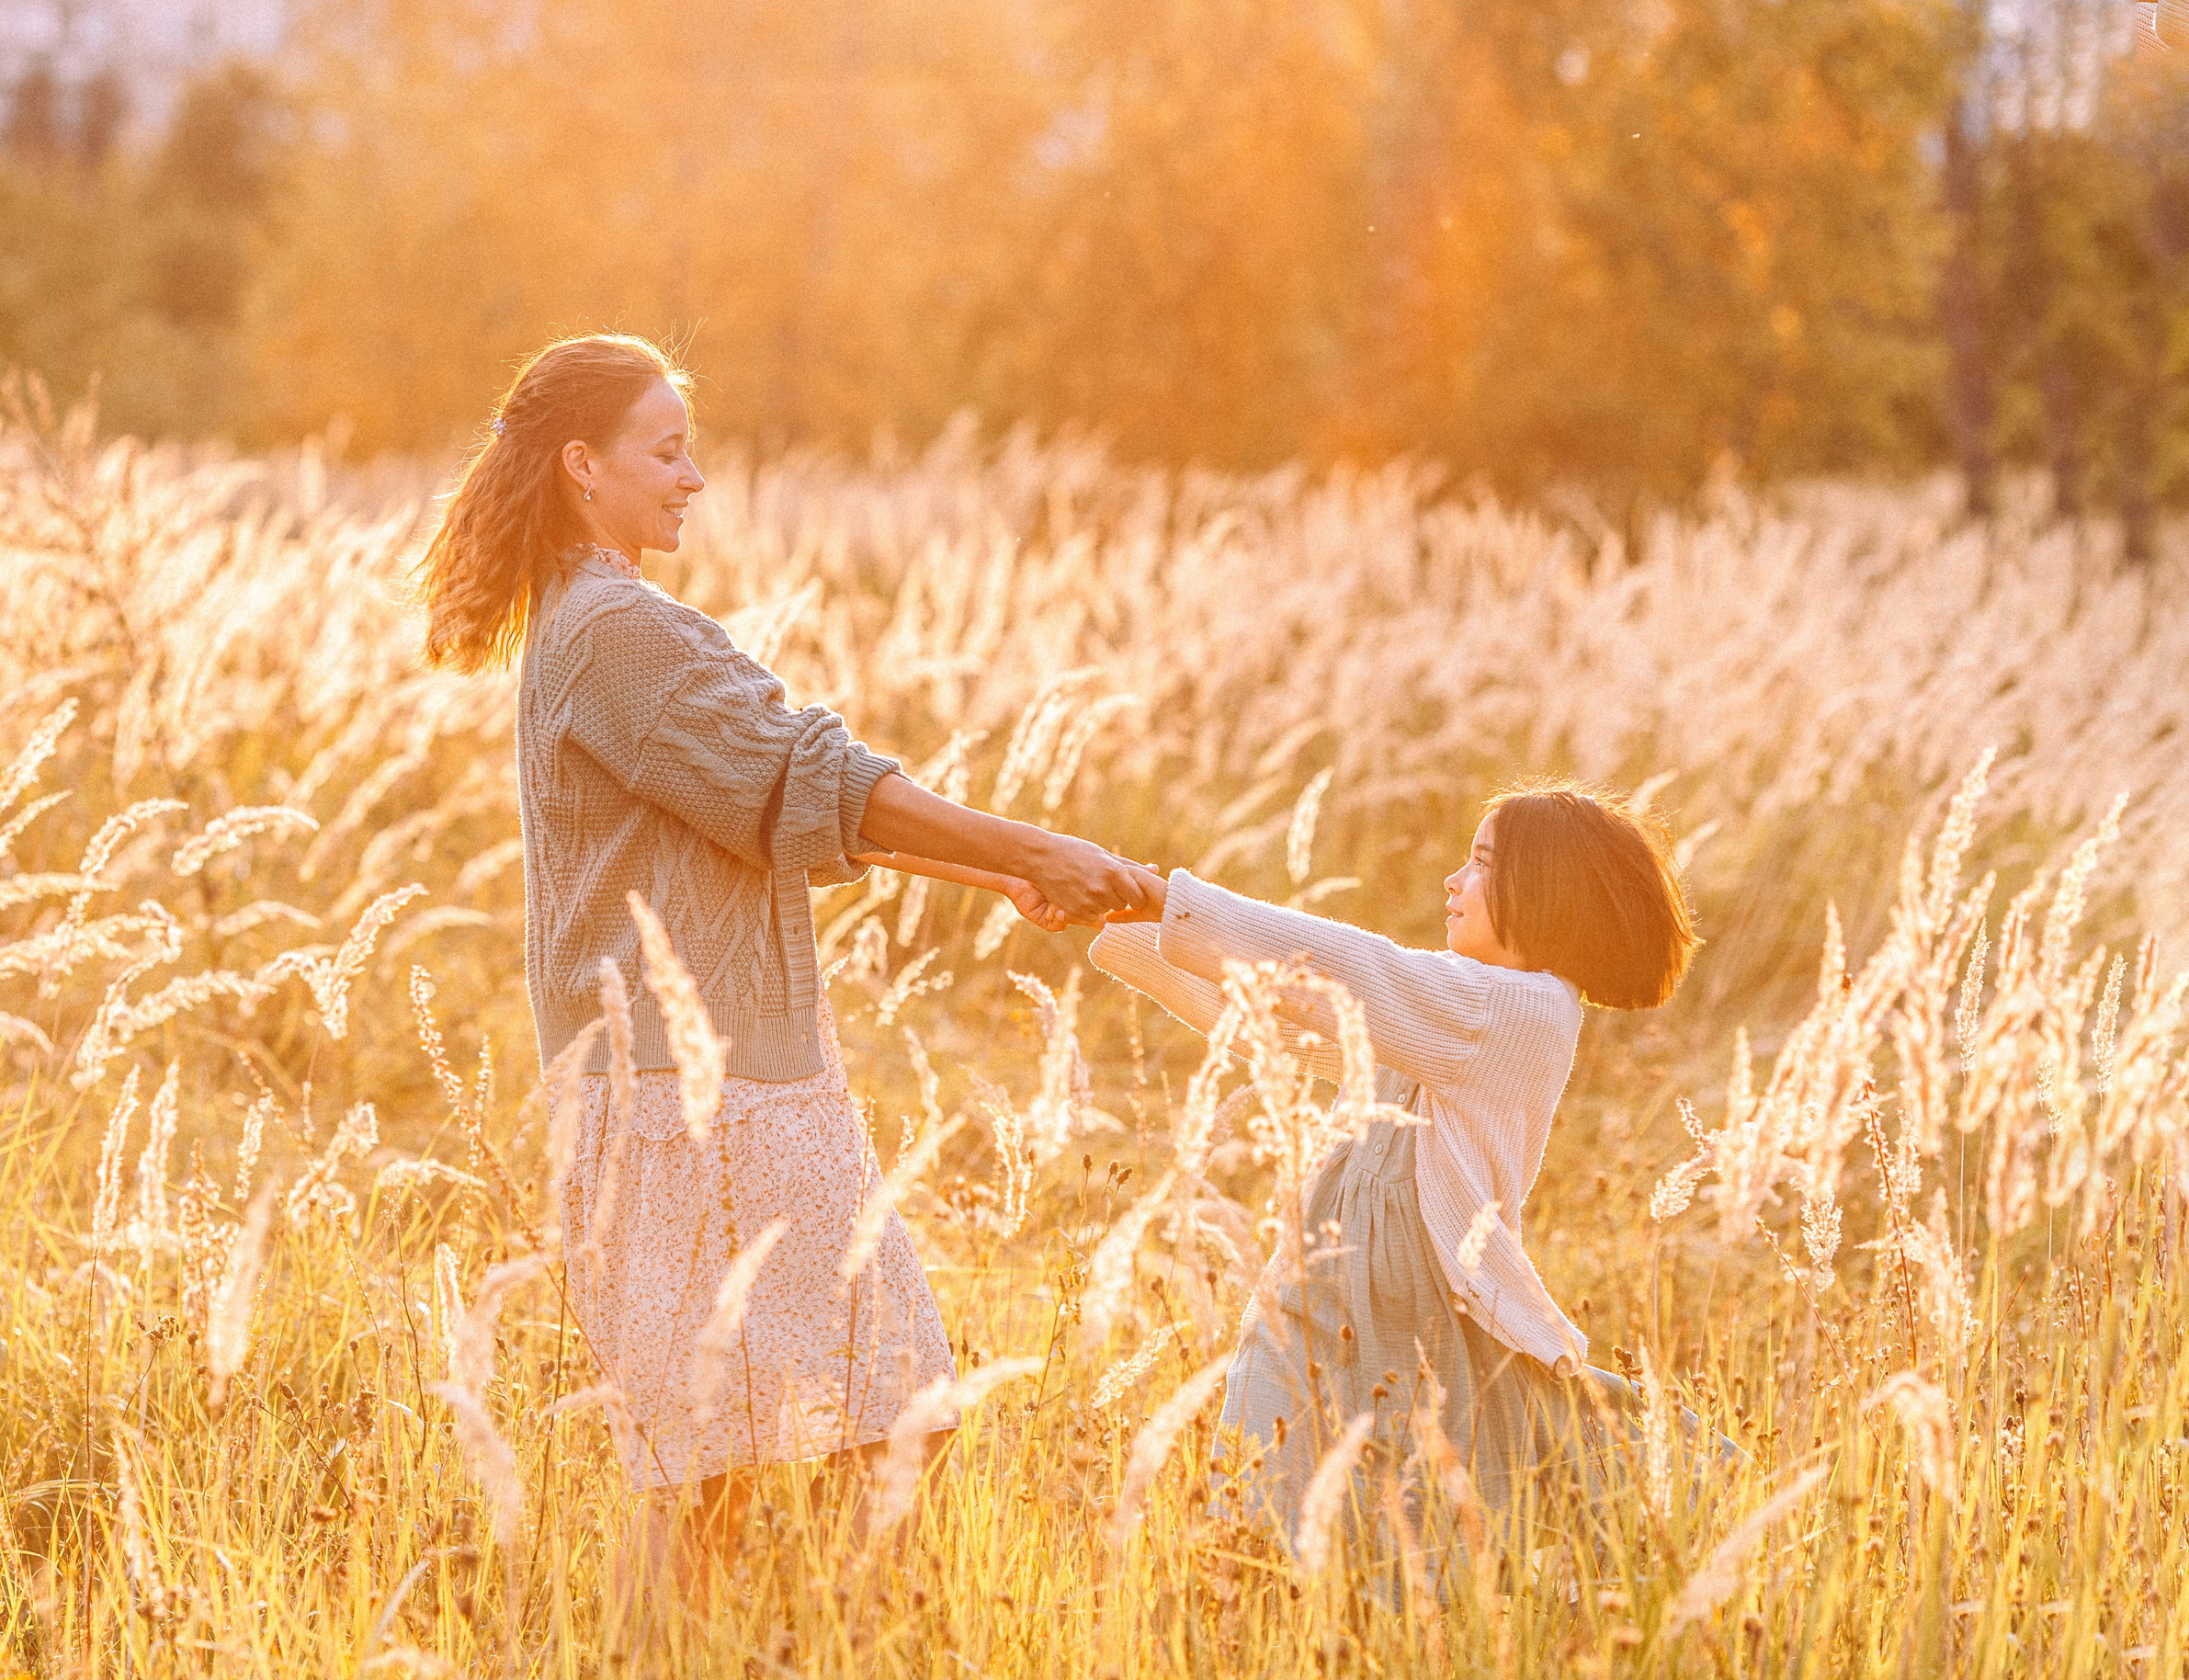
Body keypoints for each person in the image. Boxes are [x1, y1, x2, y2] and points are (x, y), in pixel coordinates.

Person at [414, 333, 1155, 1572]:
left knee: (737, 1465)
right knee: (815, 1439)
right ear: (583, 466)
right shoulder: (615, 629)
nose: (692, 476)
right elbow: (807, 779)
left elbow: (769, 810)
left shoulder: (588, 618)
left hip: (697, 1085)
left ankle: (779, 1642)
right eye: (666, 451)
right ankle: (803, 1643)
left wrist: (1000, 873)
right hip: (695, 1098)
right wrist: (1030, 844)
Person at [1089, 784, 1699, 1562]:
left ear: (1544, 892)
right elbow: (1275, 1015)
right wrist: (1134, 922)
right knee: (1259, 1507)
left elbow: (1357, 972)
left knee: (1403, 1524)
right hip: (1317, 1292)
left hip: (1417, 1315)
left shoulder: (1523, 1011)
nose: (1453, 881)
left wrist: (1170, 903)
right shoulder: (1443, 1009)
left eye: (1481, 864)